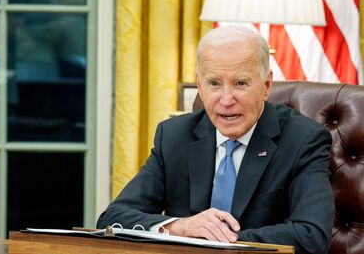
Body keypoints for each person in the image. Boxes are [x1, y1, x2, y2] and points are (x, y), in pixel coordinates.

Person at [96, 25, 333, 254]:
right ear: (200, 86)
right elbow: (112, 218)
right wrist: (178, 227)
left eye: (240, 83)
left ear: (266, 85)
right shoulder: (174, 136)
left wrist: (213, 239)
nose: (226, 99)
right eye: (214, 84)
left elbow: (311, 235)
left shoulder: (303, 139)